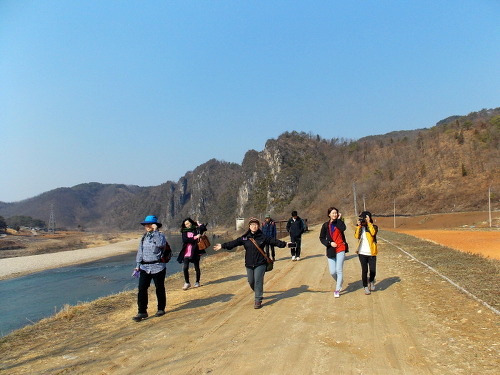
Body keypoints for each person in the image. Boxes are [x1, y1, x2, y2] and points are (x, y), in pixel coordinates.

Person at [213, 217, 291, 309]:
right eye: (252, 225)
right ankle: (258, 291)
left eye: (256, 225)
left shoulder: (263, 237)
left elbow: (273, 241)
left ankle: (258, 299)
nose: (254, 226)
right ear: (249, 226)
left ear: (258, 226)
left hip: (260, 263)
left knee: (258, 280)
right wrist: (222, 245)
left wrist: (285, 244)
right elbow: (234, 243)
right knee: (251, 281)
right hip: (249, 264)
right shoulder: (245, 238)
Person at [132, 215, 170, 322]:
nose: (147, 226)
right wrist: (137, 266)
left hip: (158, 267)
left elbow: (161, 244)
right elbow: (140, 252)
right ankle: (142, 311)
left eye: (149, 224)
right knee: (142, 289)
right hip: (145, 267)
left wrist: (156, 231)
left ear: (155, 225)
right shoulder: (144, 237)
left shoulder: (160, 236)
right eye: (145, 224)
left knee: (159, 288)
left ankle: (161, 308)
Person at [319, 207, 348, 298]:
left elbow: (343, 228)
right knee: (332, 272)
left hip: (340, 248)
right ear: (329, 214)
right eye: (333, 213)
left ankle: (337, 289)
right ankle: (340, 281)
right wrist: (329, 243)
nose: (334, 214)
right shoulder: (325, 225)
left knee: (339, 270)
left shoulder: (339, 223)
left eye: (336, 213)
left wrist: (339, 219)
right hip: (331, 250)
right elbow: (321, 237)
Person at [177, 218, 207, 290]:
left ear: (191, 222)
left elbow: (204, 228)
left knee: (196, 267)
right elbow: (185, 240)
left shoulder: (196, 229)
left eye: (188, 223)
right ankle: (187, 283)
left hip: (195, 251)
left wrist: (198, 224)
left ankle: (197, 282)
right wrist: (195, 237)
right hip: (187, 251)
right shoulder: (184, 231)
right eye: (186, 224)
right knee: (185, 268)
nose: (187, 225)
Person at [354, 211, 378, 295]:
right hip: (362, 253)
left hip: (371, 253)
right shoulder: (360, 228)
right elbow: (356, 236)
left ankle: (371, 281)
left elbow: (373, 233)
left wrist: (368, 223)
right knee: (364, 270)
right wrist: (358, 226)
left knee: (373, 270)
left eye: (364, 218)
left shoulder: (374, 226)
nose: (363, 220)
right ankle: (365, 286)